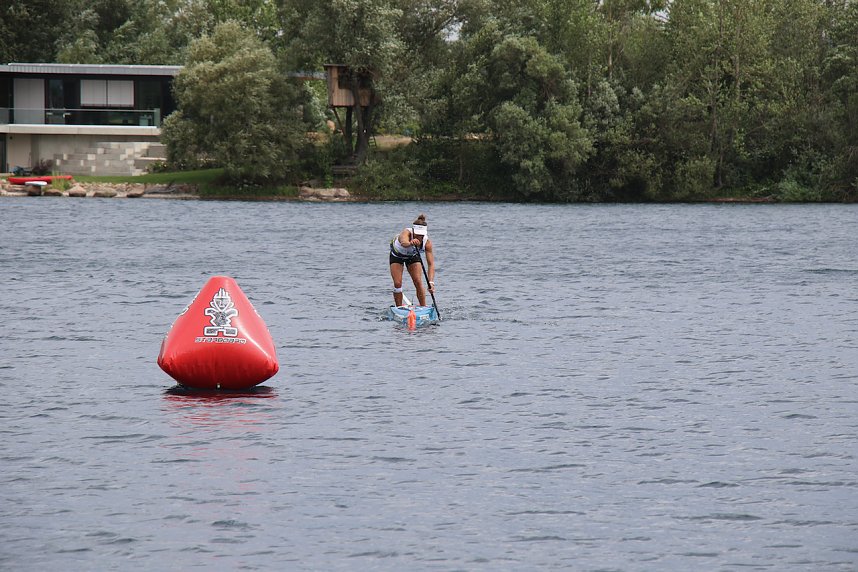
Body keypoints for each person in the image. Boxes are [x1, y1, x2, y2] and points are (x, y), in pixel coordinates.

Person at [389, 213, 435, 307]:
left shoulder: (427, 243)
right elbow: (403, 242)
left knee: (418, 281)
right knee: (398, 283)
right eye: (417, 234)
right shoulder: (406, 232)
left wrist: (431, 282)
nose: (419, 237)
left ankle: (423, 307)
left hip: (412, 255)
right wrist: (410, 243)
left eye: (422, 235)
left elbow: (431, 264)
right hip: (397, 255)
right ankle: (399, 308)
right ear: (413, 231)